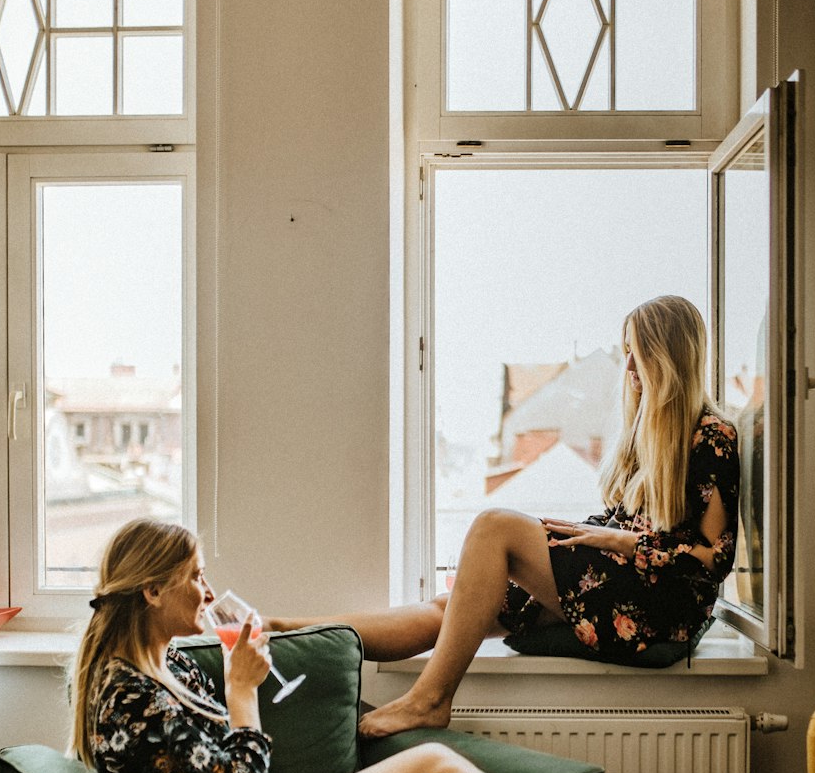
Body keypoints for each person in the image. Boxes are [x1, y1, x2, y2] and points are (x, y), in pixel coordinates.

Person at [70, 518, 700, 773]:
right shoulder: (126, 701)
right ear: (151, 592)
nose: (208, 593)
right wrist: (244, 696)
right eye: (194, 578)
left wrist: (253, 668)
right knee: (429, 764)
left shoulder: (172, 664)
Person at [273, 295, 740, 739]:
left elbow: (713, 559)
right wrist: (577, 534)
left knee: (495, 526)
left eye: (638, 354)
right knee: (450, 608)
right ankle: (291, 631)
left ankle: (431, 698)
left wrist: (616, 543)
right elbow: (620, 520)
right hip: (619, 582)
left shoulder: (712, 436)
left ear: (670, 356)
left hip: (656, 606)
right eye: (628, 354)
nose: (630, 368)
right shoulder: (649, 436)